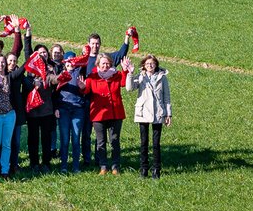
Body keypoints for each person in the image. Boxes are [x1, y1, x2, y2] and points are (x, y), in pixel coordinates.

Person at [79, 31, 132, 168]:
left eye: (97, 43)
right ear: (88, 45)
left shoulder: (109, 62)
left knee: (102, 138)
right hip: (87, 104)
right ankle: (86, 159)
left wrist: (127, 38)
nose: (95, 46)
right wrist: (82, 87)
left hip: (108, 109)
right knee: (86, 133)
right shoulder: (83, 61)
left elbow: (121, 54)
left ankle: (100, 161)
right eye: (92, 44)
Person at [130, 54, 171, 179]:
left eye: (152, 63)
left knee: (156, 144)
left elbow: (166, 97)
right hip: (143, 112)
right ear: (144, 65)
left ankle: (156, 170)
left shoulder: (162, 78)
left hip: (158, 112)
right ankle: (143, 169)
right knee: (144, 142)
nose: (150, 66)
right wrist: (130, 74)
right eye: (147, 64)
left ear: (156, 65)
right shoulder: (141, 77)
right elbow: (129, 88)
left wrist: (168, 113)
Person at [24, 47, 59, 174]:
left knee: (46, 139)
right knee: (32, 139)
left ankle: (46, 163)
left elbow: (56, 80)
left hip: (46, 113)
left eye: (41, 63)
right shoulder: (27, 78)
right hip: (32, 114)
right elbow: (26, 53)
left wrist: (63, 75)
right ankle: (34, 163)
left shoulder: (48, 76)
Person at [55, 52, 84, 174]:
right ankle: (64, 165)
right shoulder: (61, 75)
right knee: (65, 139)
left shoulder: (79, 73)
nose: (70, 64)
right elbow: (55, 93)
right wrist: (56, 108)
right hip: (63, 109)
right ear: (64, 63)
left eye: (72, 61)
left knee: (76, 138)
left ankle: (76, 166)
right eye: (68, 62)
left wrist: (82, 87)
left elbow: (86, 60)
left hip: (77, 109)